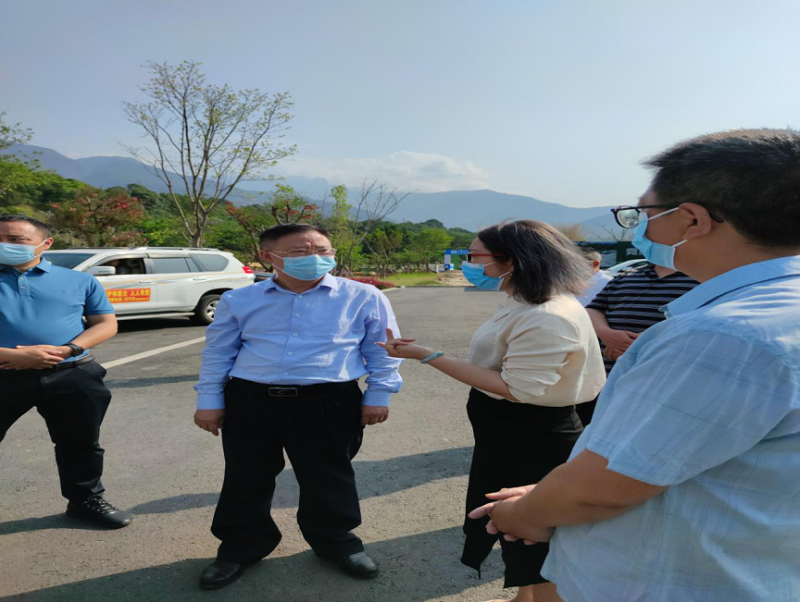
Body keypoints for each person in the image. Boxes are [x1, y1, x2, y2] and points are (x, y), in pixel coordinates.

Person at [469, 129, 800, 601]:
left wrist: (522, 514)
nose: (639, 227)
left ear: (692, 220)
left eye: (644, 213)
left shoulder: (723, 335)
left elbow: (606, 486)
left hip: (675, 580)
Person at [380, 220, 605, 602]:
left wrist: (429, 356)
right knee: (514, 526)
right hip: (508, 432)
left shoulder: (548, 315)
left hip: (532, 436)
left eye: (474, 256)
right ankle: (525, 597)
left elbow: (517, 389)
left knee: (535, 532)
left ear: (511, 261)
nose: (468, 264)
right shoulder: (527, 302)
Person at [193, 223, 403, 590]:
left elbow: (383, 350)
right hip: (252, 399)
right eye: (300, 252)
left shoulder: (362, 296)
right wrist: (209, 401)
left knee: (329, 475)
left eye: (323, 250)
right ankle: (241, 546)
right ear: (268, 256)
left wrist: (378, 395)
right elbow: (218, 353)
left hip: (328, 399)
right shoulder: (239, 300)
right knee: (246, 476)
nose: (315, 258)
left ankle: (336, 541)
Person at [0, 215, 131, 528]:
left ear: (45, 243)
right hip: (4, 373)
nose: (5, 245)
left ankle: (85, 501)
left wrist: (68, 349)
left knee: (80, 443)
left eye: (16, 239)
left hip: (71, 373)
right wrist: (11, 356)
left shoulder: (79, 281)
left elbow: (105, 323)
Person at [577, 258, 698, 425]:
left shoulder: (702, 278)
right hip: (608, 379)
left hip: (659, 381)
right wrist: (607, 335)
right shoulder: (627, 275)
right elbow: (594, 309)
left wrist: (643, 343)